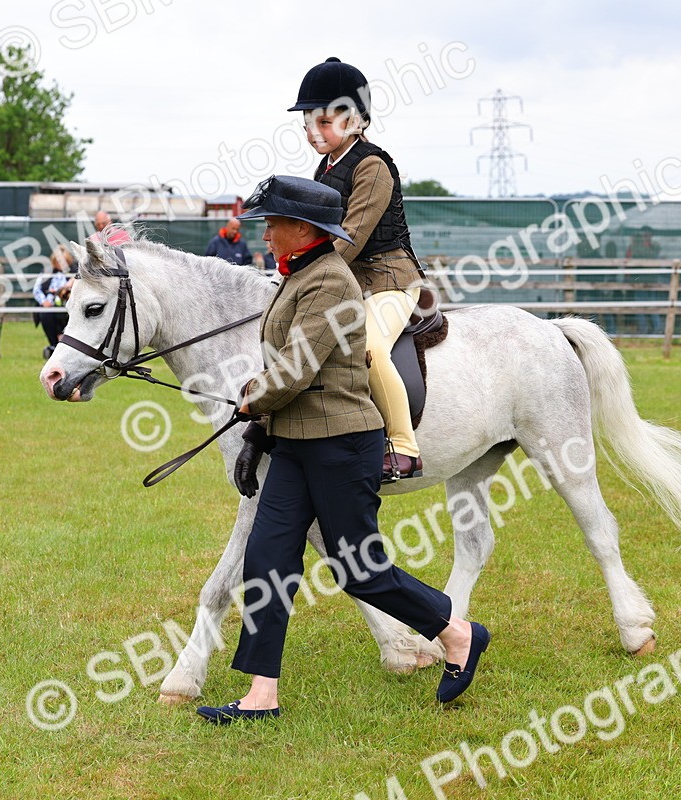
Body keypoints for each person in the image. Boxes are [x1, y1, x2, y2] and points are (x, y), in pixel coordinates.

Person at [195, 176, 490, 725]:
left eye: (272, 222)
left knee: (359, 569)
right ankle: (262, 695)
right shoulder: (297, 275)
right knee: (267, 560)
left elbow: (296, 368)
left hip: (339, 445)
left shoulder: (329, 282)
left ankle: (459, 634)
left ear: (302, 229)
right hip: (295, 446)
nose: (265, 232)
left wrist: (252, 399)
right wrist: (262, 419)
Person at [290, 57, 426, 481]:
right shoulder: (326, 167)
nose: (313, 132)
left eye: (324, 122)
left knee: (366, 345)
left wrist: (305, 274)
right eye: (308, 122)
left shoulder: (372, 166)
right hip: (349, 281)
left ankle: (404, 447)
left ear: (356, 119)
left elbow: (350, 237)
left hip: (390, 281)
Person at [34, 245, 73, 357]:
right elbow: (37, 289)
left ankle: (66, 345)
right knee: (46, 315)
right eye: (58, 261)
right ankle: (54, 345)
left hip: (66, 305)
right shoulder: (47, 272)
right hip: (49, 305)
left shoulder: (74, 272)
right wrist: (44, 301)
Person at [625, 226, 662, 336]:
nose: (645, 236)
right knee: (639, 305)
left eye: (647, 234)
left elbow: (649, 255)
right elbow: (629, 259)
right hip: (639, 280)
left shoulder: (654, 246)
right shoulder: (635, 246)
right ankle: (643, 328)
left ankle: (657, 328)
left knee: (652, 305)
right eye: (643, 234)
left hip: (651, 280)